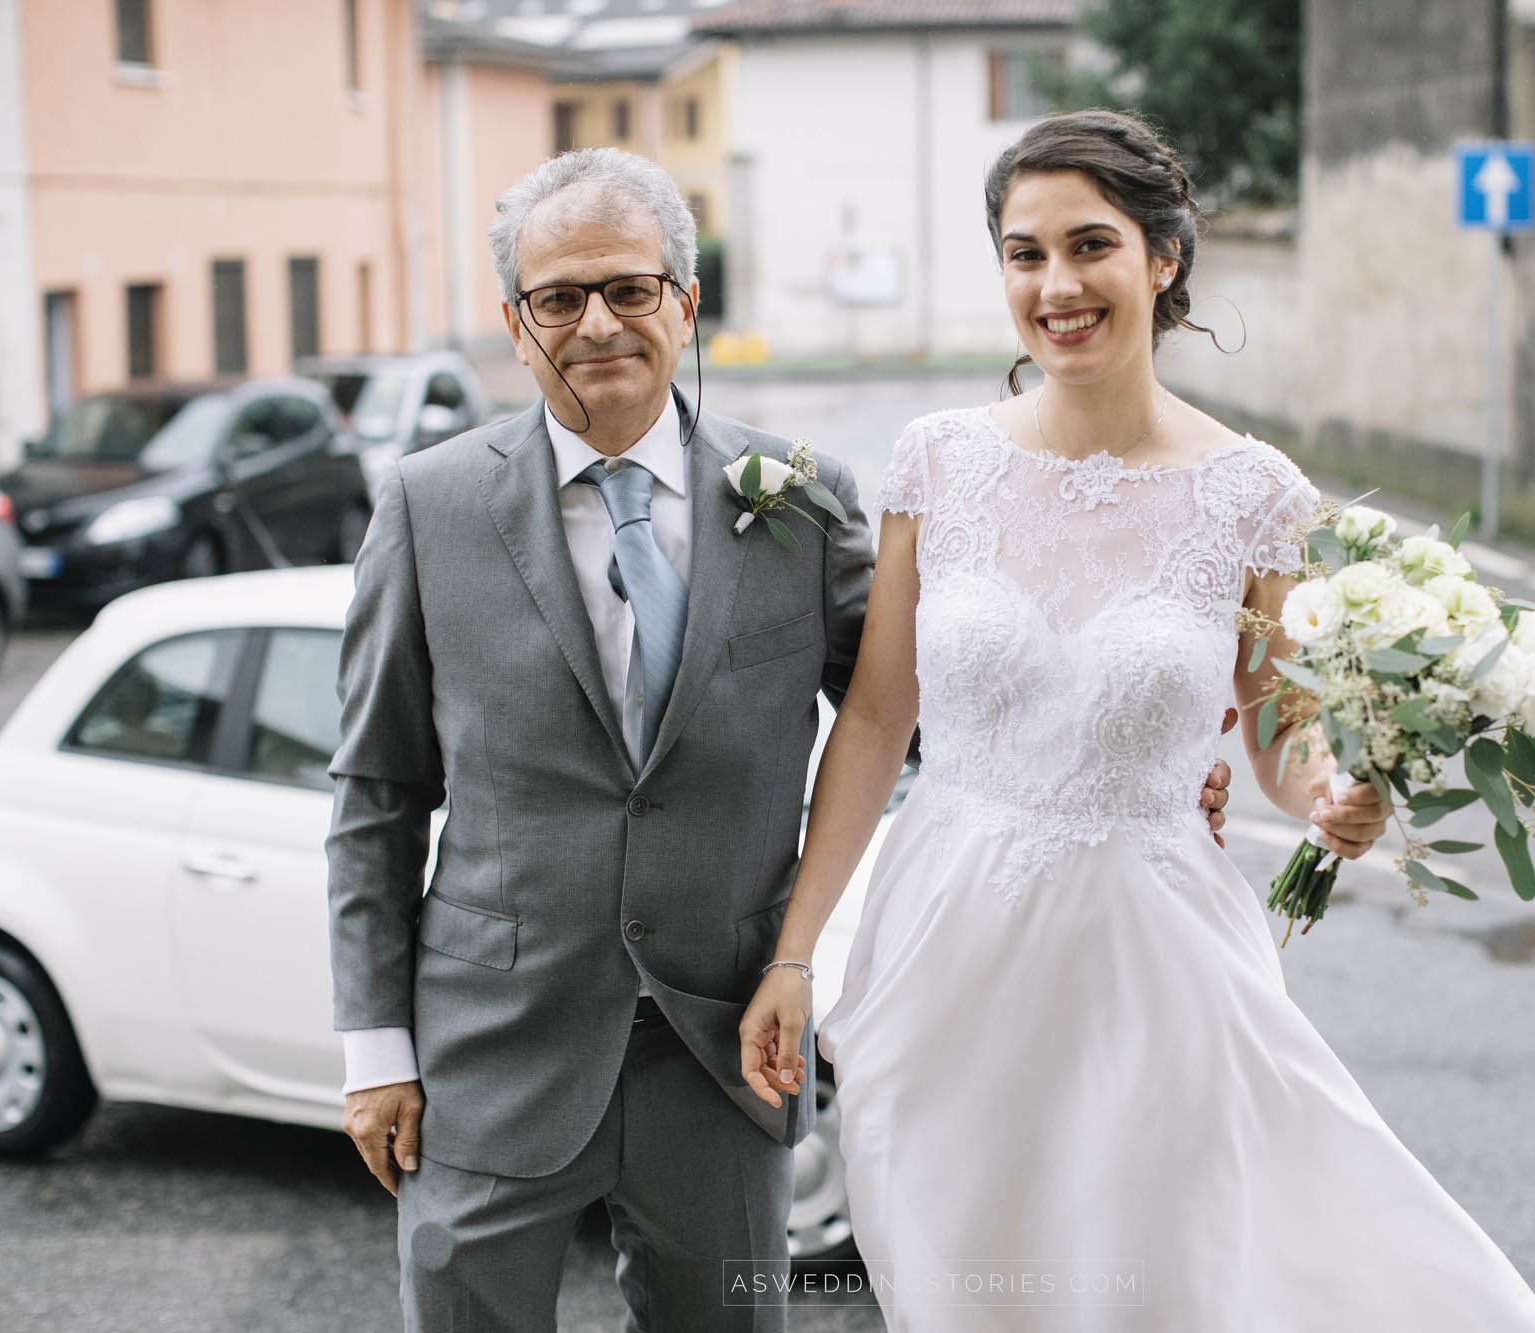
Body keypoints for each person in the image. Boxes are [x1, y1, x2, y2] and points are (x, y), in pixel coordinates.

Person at [326, 146, 1235, 1330]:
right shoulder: (426, 505)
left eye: (629, 288)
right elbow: (376, 790)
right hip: (486, 1055)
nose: (597, 322)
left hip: (724, 1046)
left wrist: (1133, 749)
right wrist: (372, 1048)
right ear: (514, 321)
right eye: (559, 297)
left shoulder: (797, 497)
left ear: (685, 301)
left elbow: (914, 701)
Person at [738, 110, 1535, 1330]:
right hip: (946, 950)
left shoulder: (1253, 495)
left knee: (1165, 1281)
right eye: (1024, 254)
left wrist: (1340, 785)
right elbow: (869, 722)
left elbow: (1279, 739)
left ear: (1162, 258)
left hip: (1155, 961)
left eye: (1089, 245)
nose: (1056, 285)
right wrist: (796, 953)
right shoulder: (937, 462)